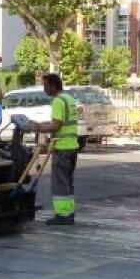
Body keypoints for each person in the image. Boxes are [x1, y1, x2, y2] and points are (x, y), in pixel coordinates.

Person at [29, 74, 78, 226]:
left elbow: (56, 126)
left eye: (45, 86)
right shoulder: (68, 99)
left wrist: (38, 127)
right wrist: (42, 124)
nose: (44, 89)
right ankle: (68, 213)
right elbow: (60, 122)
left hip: (62, 147)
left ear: (53, 86)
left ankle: (62, 215)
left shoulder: (57, 101)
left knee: (59, 183)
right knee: (68, 182)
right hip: (72, 147)